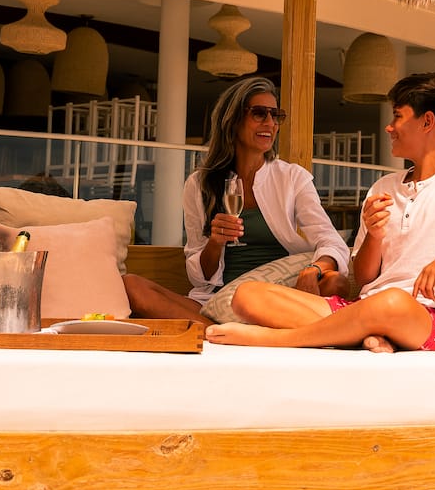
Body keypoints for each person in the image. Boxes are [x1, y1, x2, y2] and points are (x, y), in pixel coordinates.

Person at [208, 70, 435, 352]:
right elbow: (363, 279)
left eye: (398, 116)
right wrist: (374, 237)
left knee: (391, 302)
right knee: (248, 296)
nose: (389, 127)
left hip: (423, 318)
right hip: (362, 307)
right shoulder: (382, 188)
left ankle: (276, 340)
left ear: (427, 121)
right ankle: (365, 334)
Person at [121, 76, 352, 324]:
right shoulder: (200, 185)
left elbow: (331, 242)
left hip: (275, 298)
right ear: (232, 121)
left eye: (276, 116)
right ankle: (221, 329)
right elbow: (199, 277)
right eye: (260, 113)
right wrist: (215, 242)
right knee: (132, 285)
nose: (270, 123)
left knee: (334, 282)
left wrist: (315, 269)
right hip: (214, 300)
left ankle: (216, 331)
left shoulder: (291, 178)